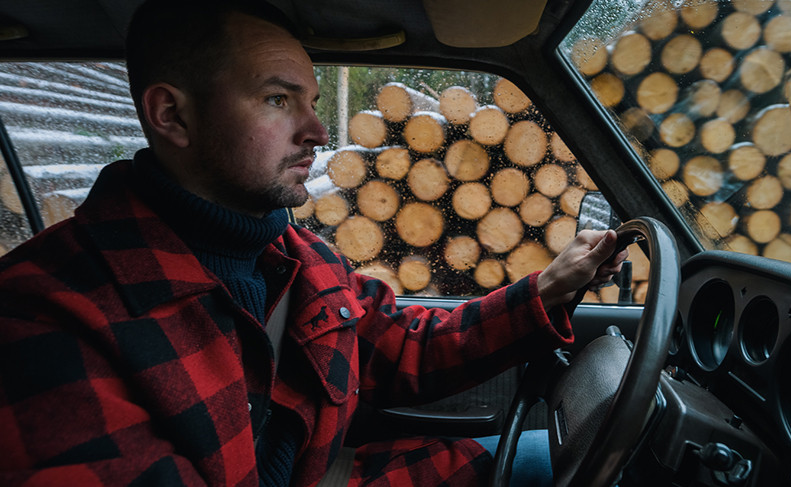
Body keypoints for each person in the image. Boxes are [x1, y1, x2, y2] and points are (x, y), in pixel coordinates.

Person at [0, 1, 628, 486]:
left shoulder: (300, 259)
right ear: (172, 115)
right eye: (278, 99)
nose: (317, 130)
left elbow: (406, 352)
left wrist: (550, 286)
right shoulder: (43, 321)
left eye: (310, 101)